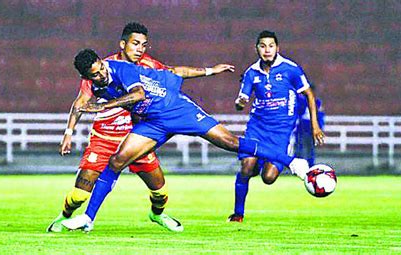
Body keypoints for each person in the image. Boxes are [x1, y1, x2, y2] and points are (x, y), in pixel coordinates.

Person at [60, 48, 311, 230]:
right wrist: (70, 131)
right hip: (153, 123)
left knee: (230, 143)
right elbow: (174, 72)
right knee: (116, 161)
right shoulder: (95, 85)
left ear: (101, 62)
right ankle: (88, 218)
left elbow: (136, 95)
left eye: (101, 68)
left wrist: (104, 107)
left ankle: (291, 161)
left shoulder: (122, 69)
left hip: (178, 110)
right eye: (96, 74)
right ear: (87, 76)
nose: (102, 75)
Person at [47, 22, 238, 233]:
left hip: (137, 137)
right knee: (79, 195)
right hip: (105, 138)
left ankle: (157, 215)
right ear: (123, 44)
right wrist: (69, 132)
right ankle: (63, 217)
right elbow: (81, 102)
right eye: (135, 44)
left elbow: (176, 72)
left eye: (144, 45)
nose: (140, 49)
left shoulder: (148, 65)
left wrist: (211, 70)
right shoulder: (100, 68)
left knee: (160, 192)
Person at [227, 30, 325, 223]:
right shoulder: (251, 73)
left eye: (271, 46)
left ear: (277, 48)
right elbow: (241, 102)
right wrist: (240, 102)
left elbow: (309, 95)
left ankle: (262, 162)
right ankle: (238, 214)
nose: (267, 50)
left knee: (268, 178)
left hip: (281, 130)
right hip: (257, 127)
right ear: (257, 49)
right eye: (262, 46)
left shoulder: (291, 69)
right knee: (246, 167)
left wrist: (315, 126)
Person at [295, 85, 325, 166]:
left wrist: (320, 127)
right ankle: (298, 165)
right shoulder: (301, 101)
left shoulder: (317, 102)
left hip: (311, 128)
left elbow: (320, 115)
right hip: (301, 127)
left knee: (310, 147)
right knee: (299, 147)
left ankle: (310, 165)